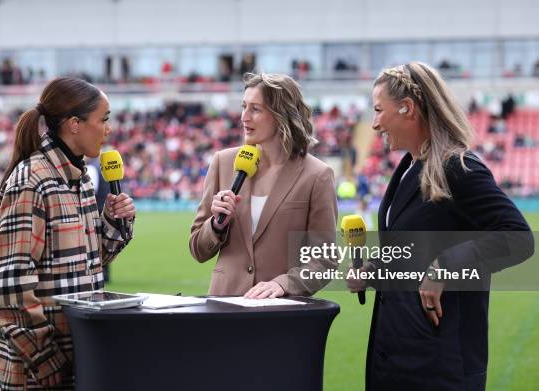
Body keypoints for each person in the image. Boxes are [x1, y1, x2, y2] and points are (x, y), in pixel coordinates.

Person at [346, 62, 533, 390]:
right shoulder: (407, 166)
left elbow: (517, 237)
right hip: (396, 357)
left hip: (439, 365)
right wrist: (372, 271)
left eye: (378, 110)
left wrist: (444, 267)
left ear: (408, 108)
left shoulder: (459, 168)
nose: (374, 123)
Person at [0, 77, 135, 390]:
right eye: (103, 120)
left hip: (74, 359)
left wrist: (112, 221)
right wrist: (46, 361)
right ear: (74, 125)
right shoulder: (33, 182)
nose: (109, 129)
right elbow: (9, 289)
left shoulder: (78, 178)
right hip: (34, 373)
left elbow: (88, 262)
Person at [189, 72, 338, 298]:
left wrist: (284, 284)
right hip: (223, 306)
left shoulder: (317, 175)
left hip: (280, 313)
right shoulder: (223, 162)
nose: (243, 117)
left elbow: (325, 261)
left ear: (282, 115)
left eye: (255, 109)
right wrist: (216, 225)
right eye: (244, 106)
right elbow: (197, 249)